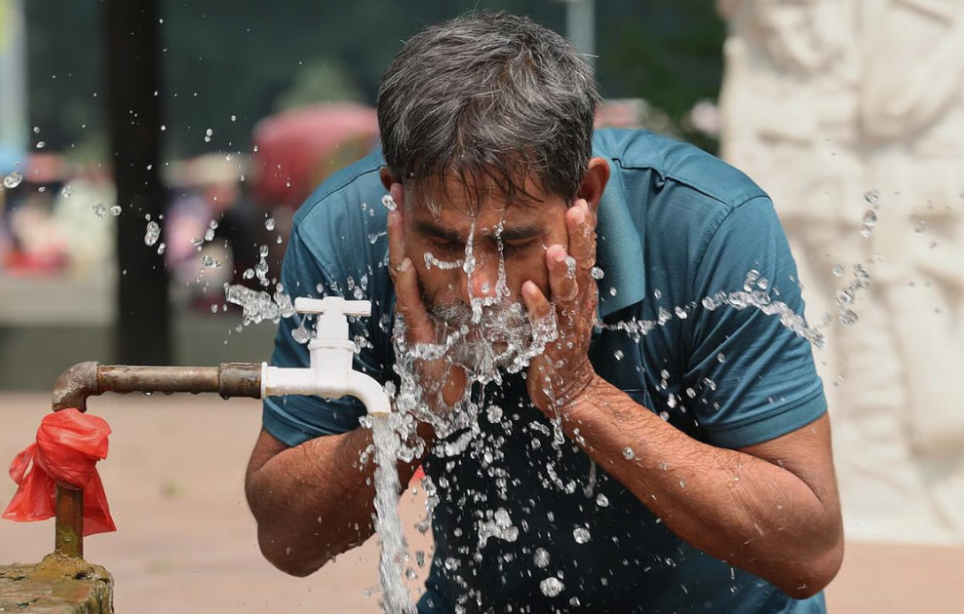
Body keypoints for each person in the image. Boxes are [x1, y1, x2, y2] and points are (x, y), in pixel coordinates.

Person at [245, 11, 843, 614]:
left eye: (513, 244)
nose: (478, 289)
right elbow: (288, 540)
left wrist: (581, 397)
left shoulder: (707, 229)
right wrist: (416, 415)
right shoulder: (344, 235)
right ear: (394, 195)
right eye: (445, 244)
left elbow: (809, 548)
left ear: (585, 194)